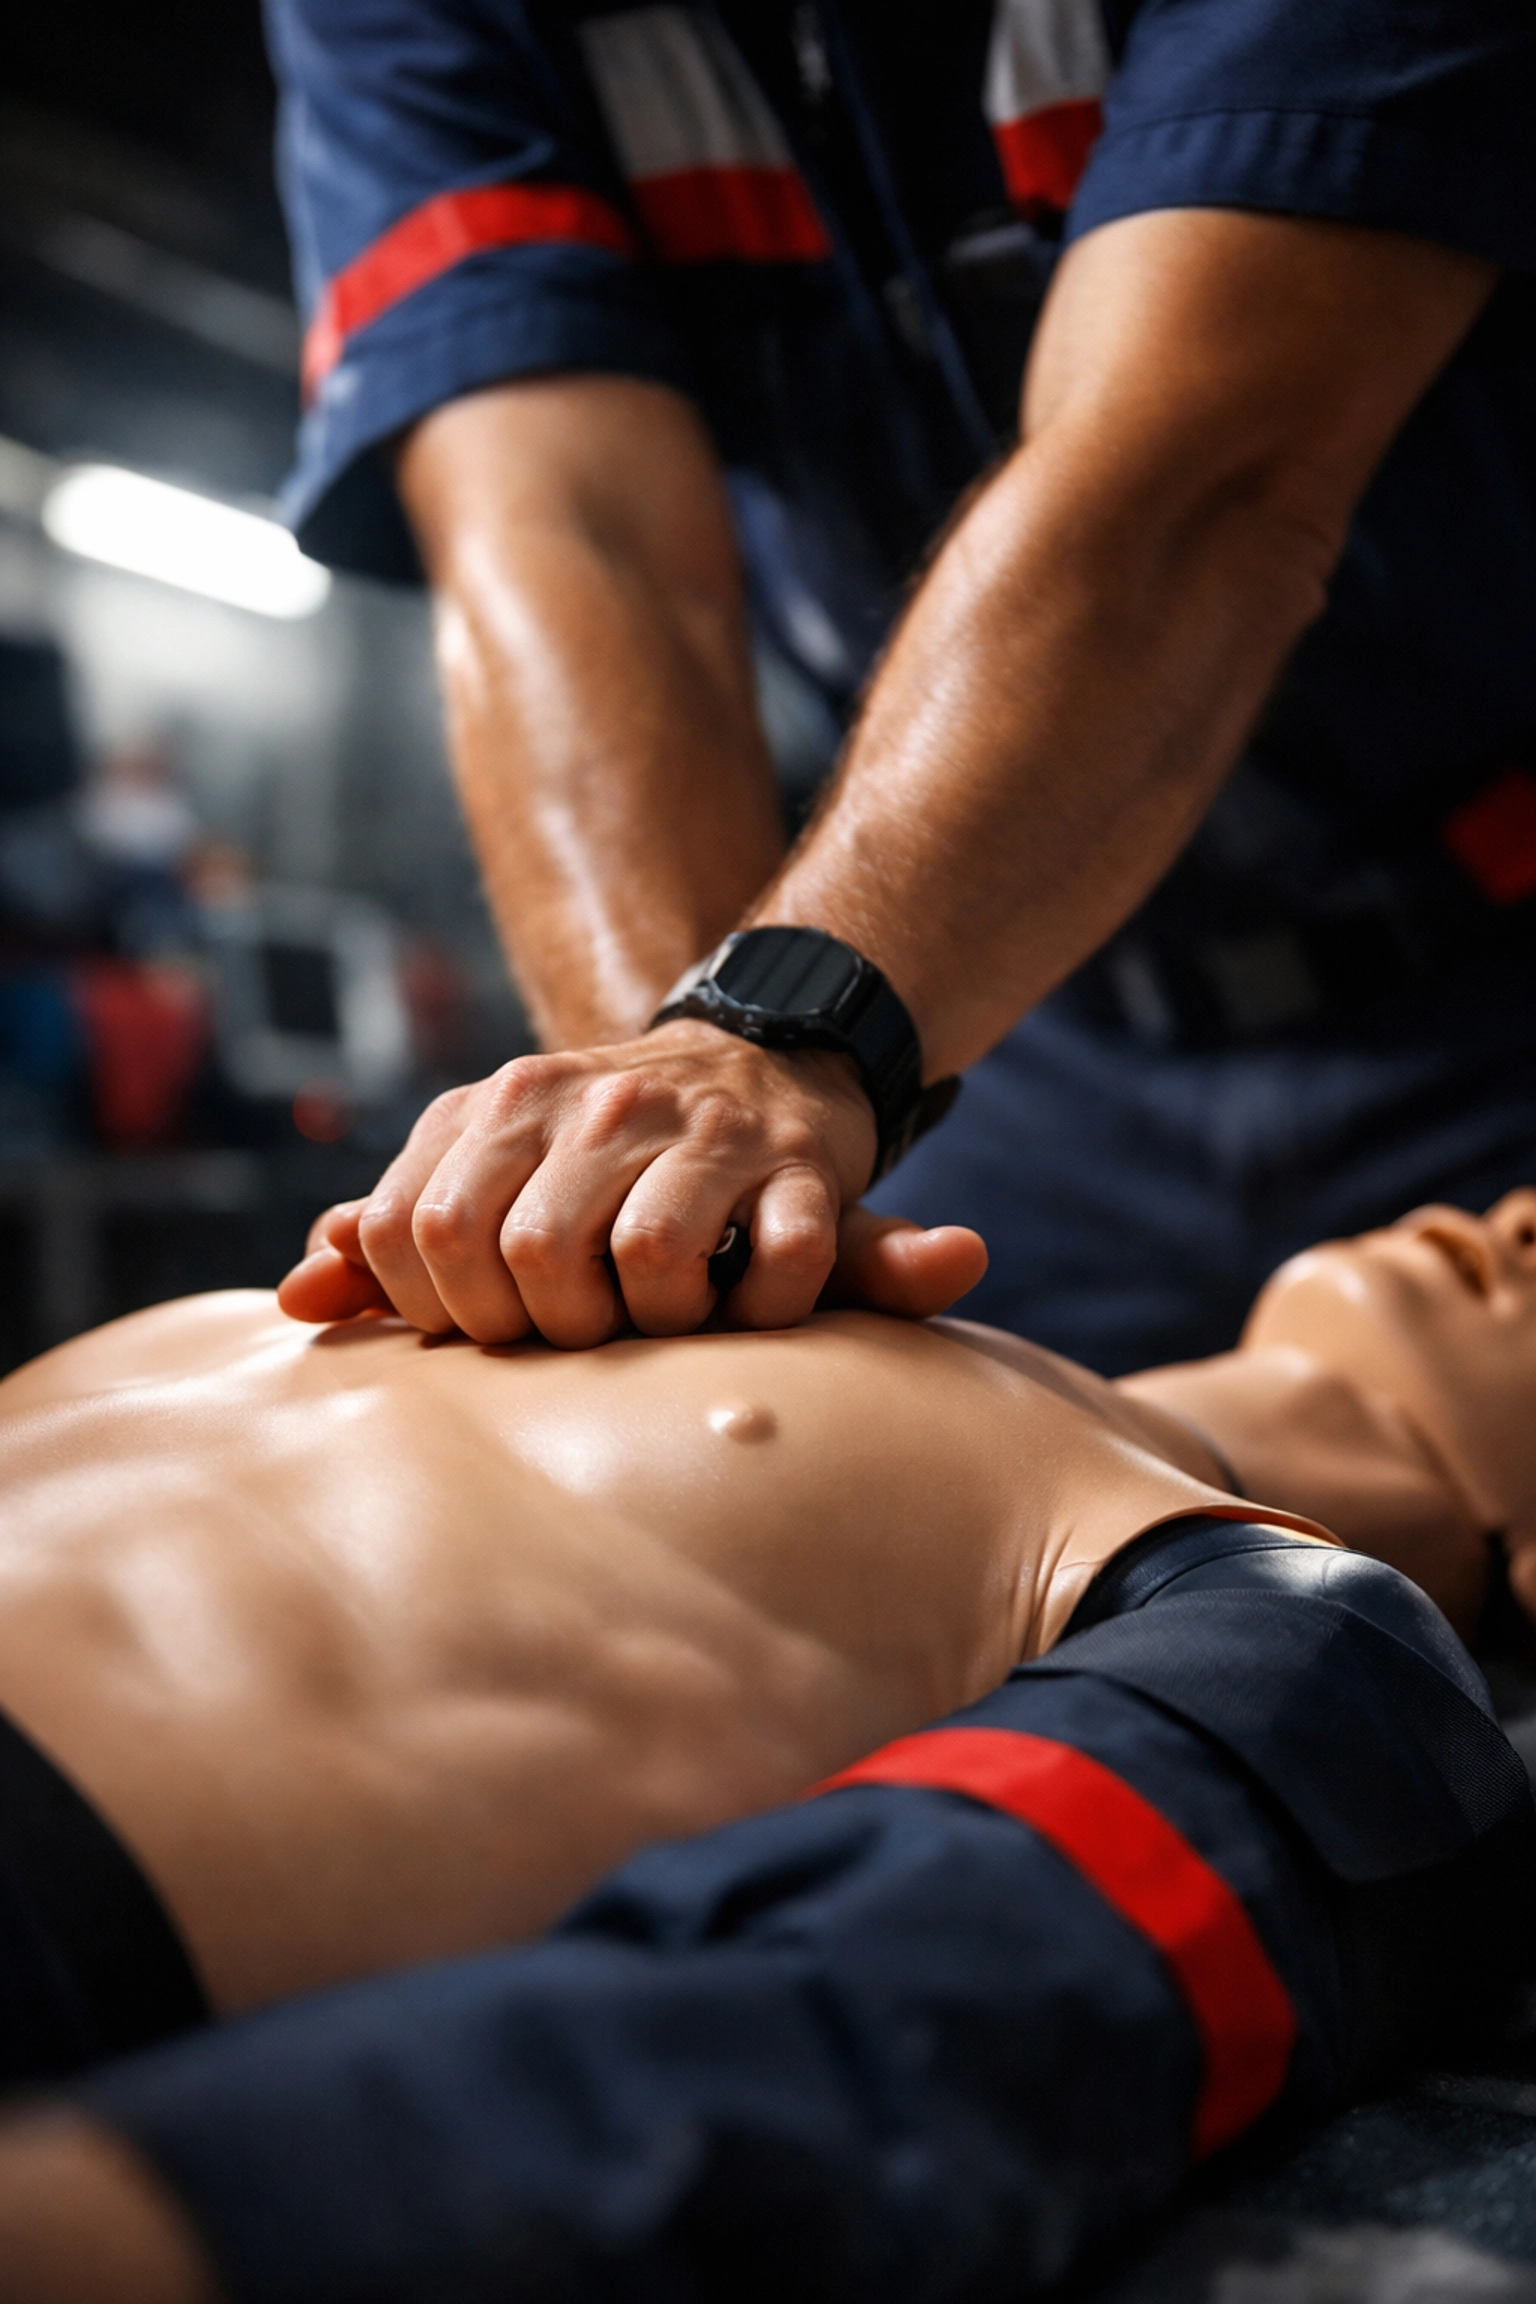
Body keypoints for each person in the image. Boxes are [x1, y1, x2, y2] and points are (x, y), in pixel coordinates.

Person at [260, 0, 1536, 1372]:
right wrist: (680, 1172)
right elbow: (574, 539)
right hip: (1021, 1054)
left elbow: (1204, 480)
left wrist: (784, 1032)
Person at [0, 1194, 1531, 2298]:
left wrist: (161, 2219)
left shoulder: (1331, 1655)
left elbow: (893, 2021)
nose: (1519, 1210)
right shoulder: (704, 1225)